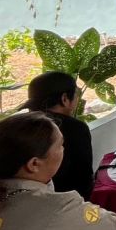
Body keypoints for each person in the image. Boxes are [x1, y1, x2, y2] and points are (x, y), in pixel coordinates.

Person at [22, 71, 94, 200]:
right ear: (64, 99)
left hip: (18, 199)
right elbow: (83, 177)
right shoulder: (75, 128)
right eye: (76, 95)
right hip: (62, 202)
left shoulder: (16, 126)